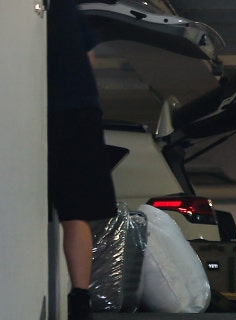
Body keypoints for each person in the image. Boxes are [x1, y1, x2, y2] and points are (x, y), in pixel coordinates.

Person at [47, 0, 118, 319]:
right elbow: (89, 58)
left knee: (27, 205)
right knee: (76, 213)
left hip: (42, 112)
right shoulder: (68, 9)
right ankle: (80, 297)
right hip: (82, 111)